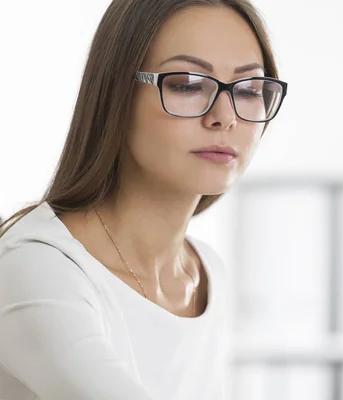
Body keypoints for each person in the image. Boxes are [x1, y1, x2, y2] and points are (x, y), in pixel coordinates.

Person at [0, 0, 287, 399]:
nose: (226, 116)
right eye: (187, 84)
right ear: (116, 94)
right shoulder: (36, 268)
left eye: (250, 90)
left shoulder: (207, 275)